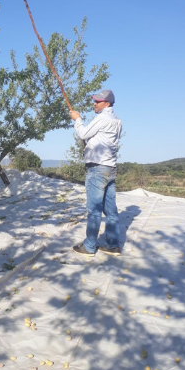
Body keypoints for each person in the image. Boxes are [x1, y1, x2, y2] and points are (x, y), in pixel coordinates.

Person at [70, 89, 123, 257]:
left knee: (94, 209)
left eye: (97, 101)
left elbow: (83, 133)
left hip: (97, 169)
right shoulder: (117, 121)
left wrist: (77, 119)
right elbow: (105, 140)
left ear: (106, 104)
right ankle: (113, 245)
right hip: (110, 168)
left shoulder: (102, 118)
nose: (94, 103)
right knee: (111, 211)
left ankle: (90, 246)